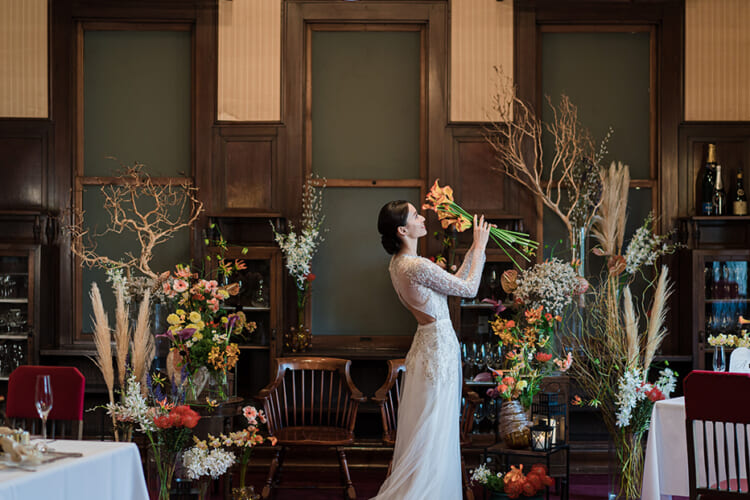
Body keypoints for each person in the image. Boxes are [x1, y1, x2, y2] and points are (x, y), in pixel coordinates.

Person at [373, 200, 490, 500]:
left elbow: (456, 283)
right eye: (415, 215)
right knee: (436, 428)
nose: (423, 218)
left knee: (430, 426)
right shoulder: (416, 266)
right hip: (438, 349)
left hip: (427, 345)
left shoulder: (398, 264)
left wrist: (472, 250)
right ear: (402, 230)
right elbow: (469, 289)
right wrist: (480, 247)